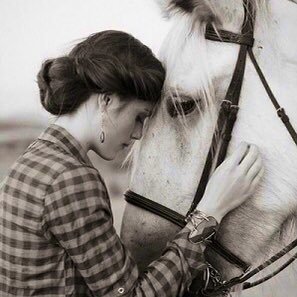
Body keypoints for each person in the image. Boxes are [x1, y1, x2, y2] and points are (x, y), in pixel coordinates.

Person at [0, 30, 264, 297]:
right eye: (139, 116)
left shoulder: (34, 160)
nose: (138, 134)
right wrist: (211, 211)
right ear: (106, 100)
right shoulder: (70, 179)